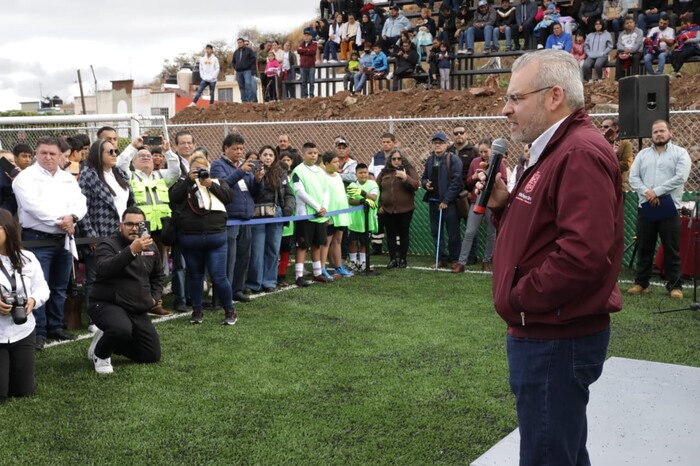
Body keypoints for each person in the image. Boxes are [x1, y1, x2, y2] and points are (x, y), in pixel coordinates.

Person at [484, 49, 624, 466]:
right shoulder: (555, 148)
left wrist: (521, 297)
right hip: (547, 332)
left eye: (515, 98)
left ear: (554, 96)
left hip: (554, 336)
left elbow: (584, 254)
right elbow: (541, 235)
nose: (507, 110)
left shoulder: (577, 152)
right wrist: (502, 207)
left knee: (548, 456)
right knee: (560, 451)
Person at [13, 137, 87, 349]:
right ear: (36, 154)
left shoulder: (66, 178)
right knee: (37, 287)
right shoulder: (25, 177)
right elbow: (31, 206)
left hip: (63, 240)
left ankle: (56, 326)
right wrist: (63, 221)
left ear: (59, 156)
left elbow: (80, 201)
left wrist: (72, 216)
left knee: (59, 286)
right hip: (37, 240)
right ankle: (38, 332)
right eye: (43, 153)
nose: (48, 157)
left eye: (52, 153)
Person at [85, 207, 164, 374]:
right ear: (120, 225)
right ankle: (100, 354)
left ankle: (106, 339)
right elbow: (103, 269)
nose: (134, 228)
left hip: (136, 306)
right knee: (121, 329)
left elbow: (158, 276)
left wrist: (154, 299)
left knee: (151, 354)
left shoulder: (151, 245)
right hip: (107, 303)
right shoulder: (108, 244)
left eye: (139, 224)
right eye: (129, 224)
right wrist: (131, 251)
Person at [169, 153, 236, 325]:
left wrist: (210, 184)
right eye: (196, 168)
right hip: (190, 238)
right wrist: (189, 181)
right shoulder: (183, 183)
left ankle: (230, 310)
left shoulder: (217, 182)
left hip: (216, 236)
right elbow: (174, 198)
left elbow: (228, 198)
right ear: (189, 168)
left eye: (203, 168)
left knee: (219, 276)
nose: (199, 171)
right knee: (195, 276)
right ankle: (197, 310)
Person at [628, 119, 691, 299]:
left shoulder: (681, 153)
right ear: (652, 135)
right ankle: (641, 283)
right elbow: (633, 178)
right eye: (655, 132)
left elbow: (680, 177)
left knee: (671, 248)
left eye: (662, 131)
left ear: (670, 133)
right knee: (644, 246)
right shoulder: (642, 155)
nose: (658, 134)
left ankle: (675, 286)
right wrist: (647, 193)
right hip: (646, 206)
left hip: (669, 207)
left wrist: (656, 191)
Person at [78, 139, 136, 319]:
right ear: (98, 154)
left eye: (115, 151)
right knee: (95, 277)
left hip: (123, 234)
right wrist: (90, 236)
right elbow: (81, 208)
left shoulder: (120, 173)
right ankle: (94, 317)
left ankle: (120, 310)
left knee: (122, 273)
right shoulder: (88, 176)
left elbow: (130, 203)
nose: (114, 155)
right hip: (99, 233)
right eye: (109, 152)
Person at [0, 209, 49, 400]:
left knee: (23, 390)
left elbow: (43, 288)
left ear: (8, 230)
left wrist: (33, 301)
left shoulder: (28, 258)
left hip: (23, 329)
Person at [210, 133, 260, 303]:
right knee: (228, 259)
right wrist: (240, 171)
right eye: (235, 148)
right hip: (229, 219)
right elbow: (222, 186)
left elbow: (254, 192)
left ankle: (236, 290)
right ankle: (223, 295)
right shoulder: (217, 165)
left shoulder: (245, 167)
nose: (239, 152)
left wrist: (259, 180)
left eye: (241, 148)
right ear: (226, 149)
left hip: (246, 218)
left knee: (243, 257)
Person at [454, 139, 507, 273]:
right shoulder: (475, 162)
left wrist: (492, 178)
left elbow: (504, 181)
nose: (483, 154)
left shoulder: (499, 162)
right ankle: (461, 263)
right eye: (481, 151)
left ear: (491, 150)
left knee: (491, 233)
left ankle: (486, 261)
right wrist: (475, 177)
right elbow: (467, 182)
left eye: (485, 151)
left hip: (491, 202)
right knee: (469, 231)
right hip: (476, 200)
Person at [246, 146, 294, 293]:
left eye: (271, 155)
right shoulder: (252, 171)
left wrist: (286, 210)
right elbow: (250, 192)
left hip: (276, 214)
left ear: (275, 158)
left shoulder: (280, 173)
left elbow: (288, 194)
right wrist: (258, 179)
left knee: (273, 250)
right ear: (260, 156)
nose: (268, 157)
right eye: (265, 154)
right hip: (257, 215)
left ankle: (269, 282)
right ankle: (254, 283)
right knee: (257, 250)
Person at [421, 132, 463, 268]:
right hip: (433, 201)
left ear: (446, 144)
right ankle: (441, 258)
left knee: (453, 232)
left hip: (448, 203)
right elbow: (424, 178)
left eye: (440, 143)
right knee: (436, 232)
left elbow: (456, 182)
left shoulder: (454, 159)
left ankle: (455, 258)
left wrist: (446, 200)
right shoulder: (429, 160)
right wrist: (425, 184)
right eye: (435, 143)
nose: (437, 145)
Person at [291, 142, 329, 286]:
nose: (313, 155)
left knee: (316, 244)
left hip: (320, 215)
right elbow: (300, 192)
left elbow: (326, 190)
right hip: (304, 214)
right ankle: (299, 276)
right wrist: (317, 207)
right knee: (302, 246)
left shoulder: (320, 171)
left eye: (315, 153)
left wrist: (324, 206)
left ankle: (317, 273)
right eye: (310, 153)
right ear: (303, 154)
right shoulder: (298, 171)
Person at [376, 151, 419, 269]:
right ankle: (392, 259)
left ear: (402, 159)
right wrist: (380, 205)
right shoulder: (384, 172)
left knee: (404, 234)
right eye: (393, 159)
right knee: (390, 235)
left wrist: (405, 178)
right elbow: (376, 188)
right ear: (390, 160)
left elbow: (415, 185)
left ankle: (403, 260)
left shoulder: (409, 169)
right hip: (388, 210)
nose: (396, 161)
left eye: (398, 158)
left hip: (405, 209)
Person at [600, 118, 633, 191]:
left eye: (606, 127)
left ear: (615, 128)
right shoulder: (600, 143)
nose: (602, 129)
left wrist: (609, 160)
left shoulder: (625, 144)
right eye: (601, 127)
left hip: (618, 187)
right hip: (602, 186)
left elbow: (626, 165)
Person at [615, 16, 644, 80]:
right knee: (619, 57)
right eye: (627, 23)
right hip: (624, 51)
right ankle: (619, 79)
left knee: (635, 57)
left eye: (631, 22)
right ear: (624, 25)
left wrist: (630, 51)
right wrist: (625, 50)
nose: (629, 24)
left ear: (634, 23)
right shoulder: (621, 34)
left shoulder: (639, 31)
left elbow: (638, 44)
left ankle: (634, 78)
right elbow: (619, 45)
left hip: (637, 51)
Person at [232, 38, 258, 103]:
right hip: (238, 72)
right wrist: (236, 67)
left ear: (243, 43)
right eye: (238, 42)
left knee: (248, 85)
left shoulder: (249, 50)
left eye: (240, 42)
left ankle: (249, 100)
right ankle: (244, 100)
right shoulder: (236, 52)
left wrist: (248, 65)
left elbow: (253, 59)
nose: (239, 44)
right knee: (241, 86)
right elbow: (233, 61)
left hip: (247, 71)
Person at [298, 31, 318, 99]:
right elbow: (298, 51)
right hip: (303, 66)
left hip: (311, 66)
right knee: (303, 82)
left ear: (311, 37)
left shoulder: (314, 44)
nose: (306, 37)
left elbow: (313, 51)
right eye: (305, 35)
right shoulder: (301, 44)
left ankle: (311, 95)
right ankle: (305, 95)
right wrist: (307, 50)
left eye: (307, 35)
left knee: (312, 82)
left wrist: (303, 50)